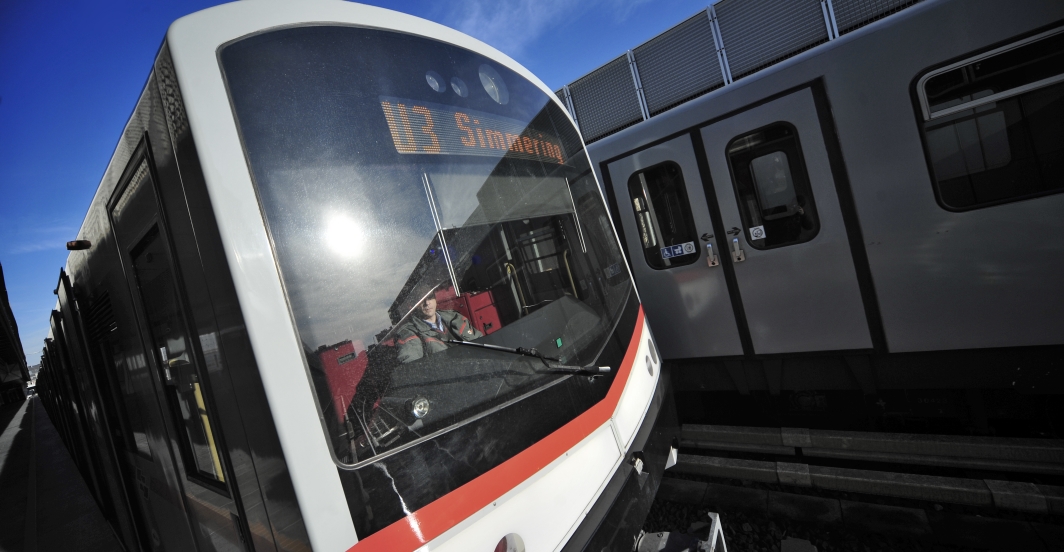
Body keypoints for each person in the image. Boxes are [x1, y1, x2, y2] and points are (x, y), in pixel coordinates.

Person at [396, 294, 483, 363]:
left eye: (430, 297)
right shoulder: (409, 333)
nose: (427, 303)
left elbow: (482, 343)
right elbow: (412, 369)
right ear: (412, 305)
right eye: (421, 300)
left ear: (435, 299)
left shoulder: (455, 317)